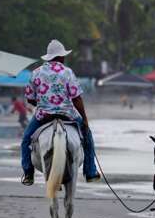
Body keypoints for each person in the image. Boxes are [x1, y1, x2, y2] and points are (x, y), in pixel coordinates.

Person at [20, 39, 99, 186]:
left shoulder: (36, 73)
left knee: (25, 140)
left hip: (43, 116)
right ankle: (90, 171)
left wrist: (44, 104)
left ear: (49, 57)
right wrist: (85, 120)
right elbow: (77, 99)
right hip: (67, 114)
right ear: (61, 57)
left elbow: (30, 99)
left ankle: (28, 173)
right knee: (88, 136)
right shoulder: (67, 72)